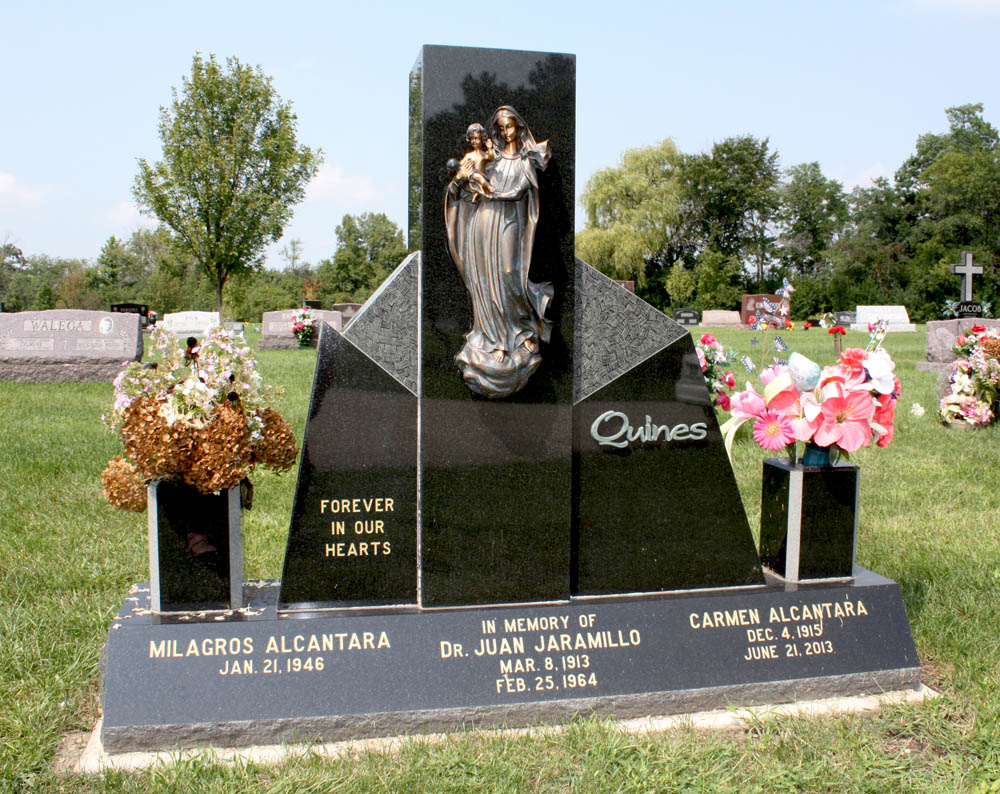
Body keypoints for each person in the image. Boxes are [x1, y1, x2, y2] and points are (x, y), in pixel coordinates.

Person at [444, 106, 552, 398]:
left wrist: (493, 193)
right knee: (486, 282)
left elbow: (519, 191)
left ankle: (522, 334)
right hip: (483, 225)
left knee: (508, 274)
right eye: (501, 128)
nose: (506, 133)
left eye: (510, 127)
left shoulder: (525, 161)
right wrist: (461, 180)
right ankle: (495, 342)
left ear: (519, 128)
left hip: (509, 224)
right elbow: (465, 189)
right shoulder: (490, 159)